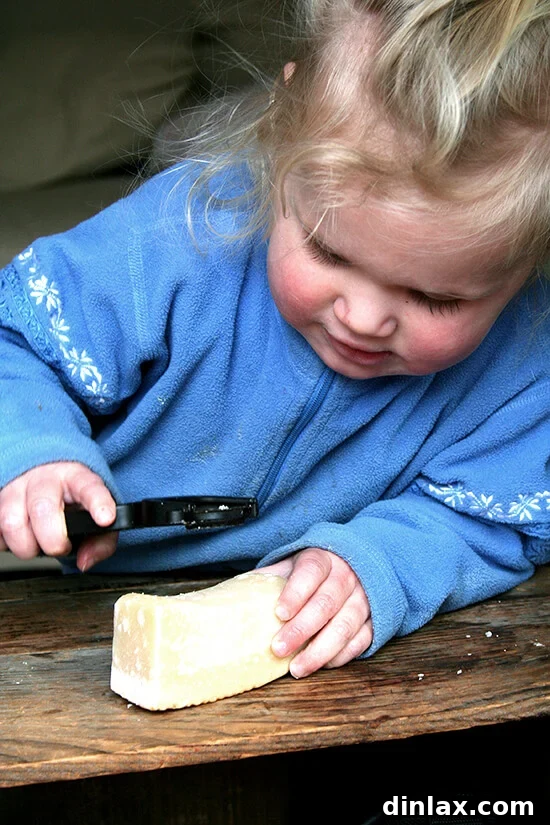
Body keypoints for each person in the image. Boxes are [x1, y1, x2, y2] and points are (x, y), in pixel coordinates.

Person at [0, 0, 549, 682]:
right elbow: (14, 342)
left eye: (436, 296)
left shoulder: (527, 367)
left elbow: (499, 519)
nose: (364, 317)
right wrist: (31, 448)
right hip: (64, 603)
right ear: (281, 136)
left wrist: (381, 561)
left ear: (527, 260)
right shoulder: (178, 241)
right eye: (326, 249)